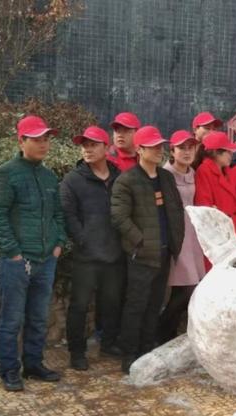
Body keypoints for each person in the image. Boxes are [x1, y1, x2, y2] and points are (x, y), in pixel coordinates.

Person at [0, 115, 66, 391]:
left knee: (38, 316)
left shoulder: (48, 176)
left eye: (46, 139)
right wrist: (13, 253)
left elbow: (58, 213)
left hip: (46, 260)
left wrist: (58, 243)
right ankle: (9, 370)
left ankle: (33, 364)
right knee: (11, 319)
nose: (43, 144)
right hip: (18, 262)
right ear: (21, 141)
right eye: (36, 139)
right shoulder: (5, 173)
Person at [111, 126, 185, 373]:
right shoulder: (127, 180)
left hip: (164, 252)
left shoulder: (166, 178)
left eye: (159, 146)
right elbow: (120, 217)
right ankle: (129, 353)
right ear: (139, 149)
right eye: (152, 146)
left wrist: (176, 242)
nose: (158, 150)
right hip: (141, 255)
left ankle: (146, 349)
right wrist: (140, 242)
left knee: (155, 304)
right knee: (136, 304)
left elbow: (174, 212)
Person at [60, 126, 125, 371]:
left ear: (106, 148)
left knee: (111, 303)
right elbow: (68, 215)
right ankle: (77, 352)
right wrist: (83, 239)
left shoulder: (119, 177)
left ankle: (108, 343)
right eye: (84, 145)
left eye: (93, 144)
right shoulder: (73, 180)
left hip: (114, 254)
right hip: (86, 257)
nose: (87, 149)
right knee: (79, 305)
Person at [159, 130, 205, 344]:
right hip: (177, 236)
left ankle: (169, 333)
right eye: (181, 148)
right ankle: (162, 332)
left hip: (193, 236)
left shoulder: (194, 173)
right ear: (172, 150)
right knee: (185, 287)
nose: (187, 152)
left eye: (190, 147)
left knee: (192, 286)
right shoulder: (165, 175)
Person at [194, 131, 236, 240]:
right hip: (219, 235)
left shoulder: (227, 171)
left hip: (234, 231)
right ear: (216, 152)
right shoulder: (204, 171)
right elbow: (205, 207)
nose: (231, 154)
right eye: (228, 151)